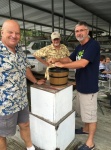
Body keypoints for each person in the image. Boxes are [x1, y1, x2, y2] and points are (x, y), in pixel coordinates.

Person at [48, 21, 100, 150]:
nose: (79, 33)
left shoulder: (93, 45)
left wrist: (62, 66)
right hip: (80, 85)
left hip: (89, 87)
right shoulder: (79, 47)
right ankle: (86, 129)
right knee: (83, 111)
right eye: (77, 31)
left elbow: (82, 63)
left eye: (82, 30)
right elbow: (70, 59)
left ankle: (90, 143)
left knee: (91, 115)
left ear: (87, 32)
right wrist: (57, 60)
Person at [0, 19, 45, 150]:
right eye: (10, 32)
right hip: (5, 105)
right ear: (2, 32)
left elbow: (25, 68)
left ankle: (30, 147)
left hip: (21, 99)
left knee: (25, 124)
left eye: (17, 33)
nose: (14, 36)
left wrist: (35, 81)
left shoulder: (19, 49)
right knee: (2, 135)